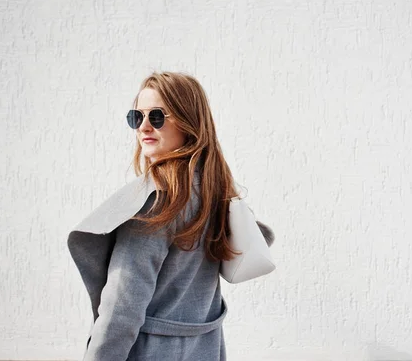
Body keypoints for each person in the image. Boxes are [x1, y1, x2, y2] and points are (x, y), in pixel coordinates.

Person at [67, 71, 274, 360]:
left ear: (189, 121)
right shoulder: (214, 191)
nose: (144, 128)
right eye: (136, 117)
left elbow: (122, 307)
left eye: (157, 116)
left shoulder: (156, 200)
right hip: (206, 349)